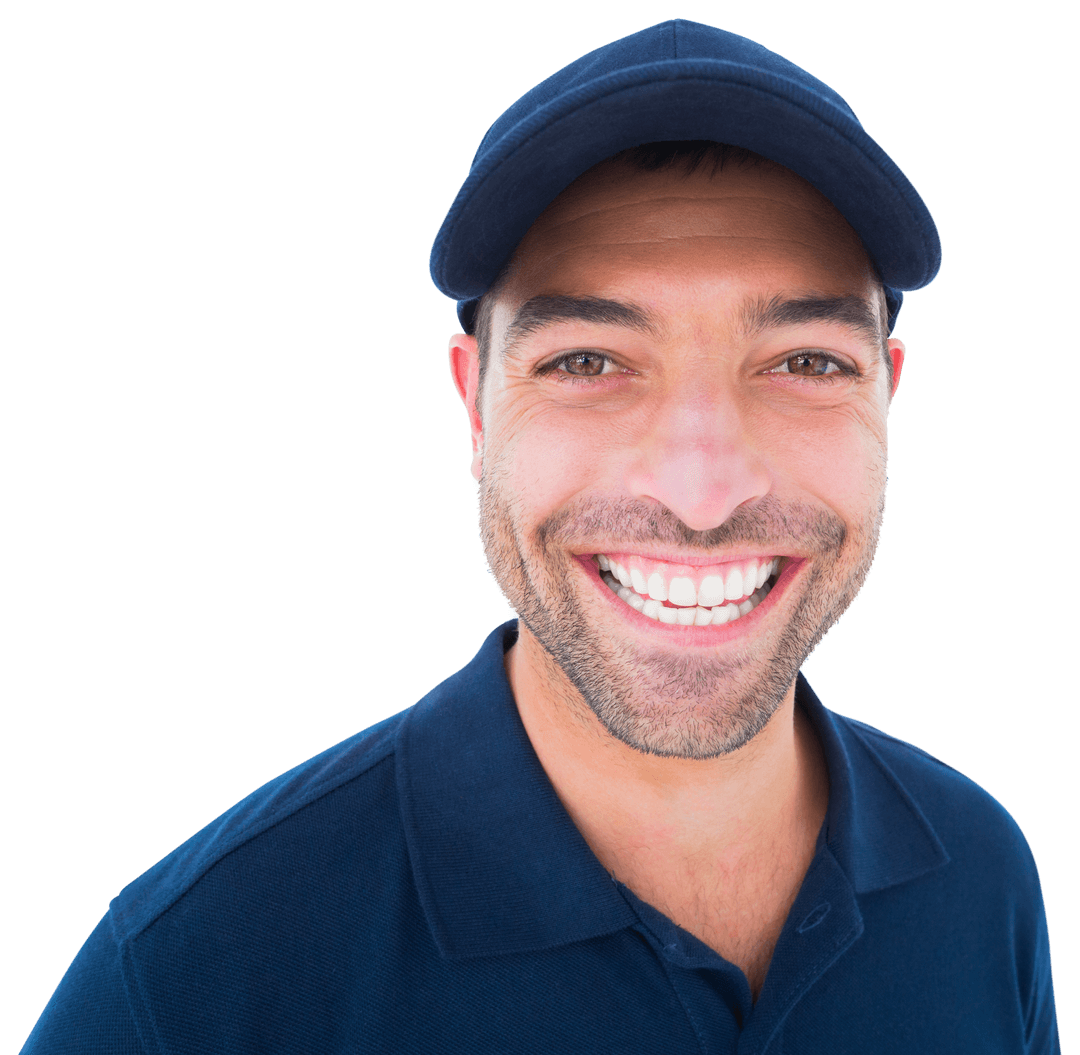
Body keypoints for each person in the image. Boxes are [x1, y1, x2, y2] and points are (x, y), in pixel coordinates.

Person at [23, 19, 1058, 1054]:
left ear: (888, 397)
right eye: (587, 362)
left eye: (808, 362)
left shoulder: (981, 873)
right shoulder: (195, 976)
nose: (702, 492)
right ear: (477, 409)